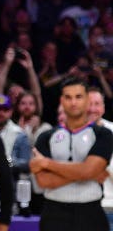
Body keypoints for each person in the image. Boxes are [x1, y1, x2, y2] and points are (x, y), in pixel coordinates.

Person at [30, 77, 113, 231]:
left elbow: (89, 170)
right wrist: (87, 173)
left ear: (87, 99)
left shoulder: (104, 134)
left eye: (78, 97)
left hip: (91, 213)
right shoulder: (46, 136)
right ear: (61, 100)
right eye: (68, 97)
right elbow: (44, 181)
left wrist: (47, 163)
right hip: (54, 214)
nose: (73, 103)